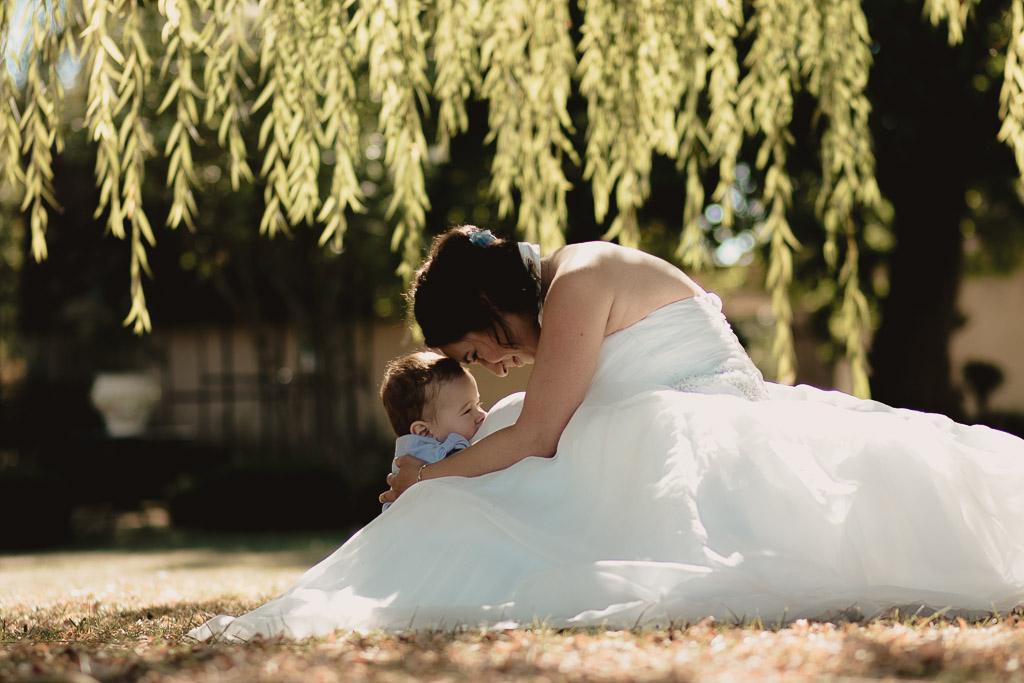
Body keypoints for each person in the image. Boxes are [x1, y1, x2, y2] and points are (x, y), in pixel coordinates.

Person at [189, 226, 1024, 642]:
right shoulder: (560, 300)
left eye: (480, 348)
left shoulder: (577, 281)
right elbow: (540, 419)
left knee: (495, 464)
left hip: (706, 426)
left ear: (490, 306)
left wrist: (427, 478)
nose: (497, 364)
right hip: (660, 423)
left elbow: (545, 430)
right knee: (492, 461)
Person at [378, 351, 487, 512]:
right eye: (467, 411)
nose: (482, 415)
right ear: (424, 432)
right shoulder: (434, 454)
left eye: (478, 404)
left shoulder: (425, 448)